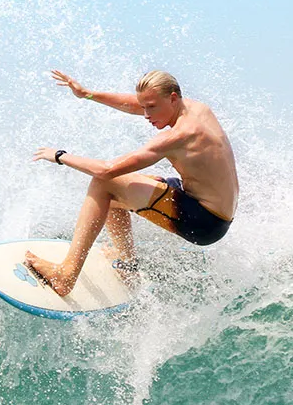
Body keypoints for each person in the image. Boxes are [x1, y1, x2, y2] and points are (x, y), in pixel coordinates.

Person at [25, 69, 239, 297]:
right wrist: (88, 94)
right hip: (211, 207)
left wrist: (59, 155)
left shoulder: (180, 135)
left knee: (104, 184)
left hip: (205, 221)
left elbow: (106, 170)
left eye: (151, 107)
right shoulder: (195, 109)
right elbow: (133, 104)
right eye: (144, 106)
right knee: (117, 194)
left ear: (173, 98)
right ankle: (127, 267)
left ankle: (65, 275)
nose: (146, 114)